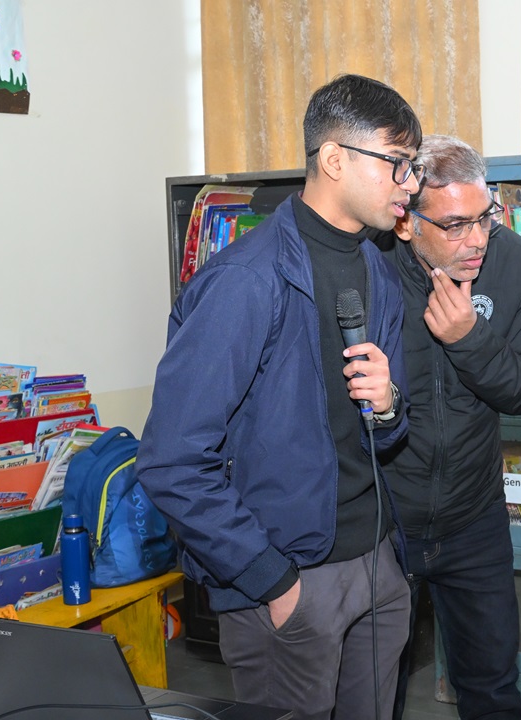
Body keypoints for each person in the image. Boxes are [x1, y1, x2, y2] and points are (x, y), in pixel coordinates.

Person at [137, 74, 421, 720]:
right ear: (334, 159)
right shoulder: (245, 280)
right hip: (289, 581)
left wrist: (388, 407)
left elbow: (387, 431)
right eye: (397, 163)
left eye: (413, 166)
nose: (410, 184)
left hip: (377, 565)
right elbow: (171, 460)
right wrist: (272, 580)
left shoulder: (378, 270)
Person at [380, 134, 521, 720]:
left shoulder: (513, 261)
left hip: (473, 518)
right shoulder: (367, 265)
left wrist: (468, 340)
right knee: (373, 691)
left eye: (485, 217)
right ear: (406, 222)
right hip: (382, 524)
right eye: (456, 225)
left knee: (493, 688)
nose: (477, 239)